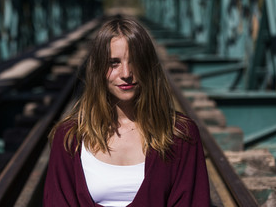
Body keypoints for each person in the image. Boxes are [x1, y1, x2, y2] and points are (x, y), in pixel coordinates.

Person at [43, 17, 210, 207]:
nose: (126, 73)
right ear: (98, 69)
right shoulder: (70, 138)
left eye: (135, 62)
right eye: (113, 63)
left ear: (148, 66)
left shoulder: (180, 135)